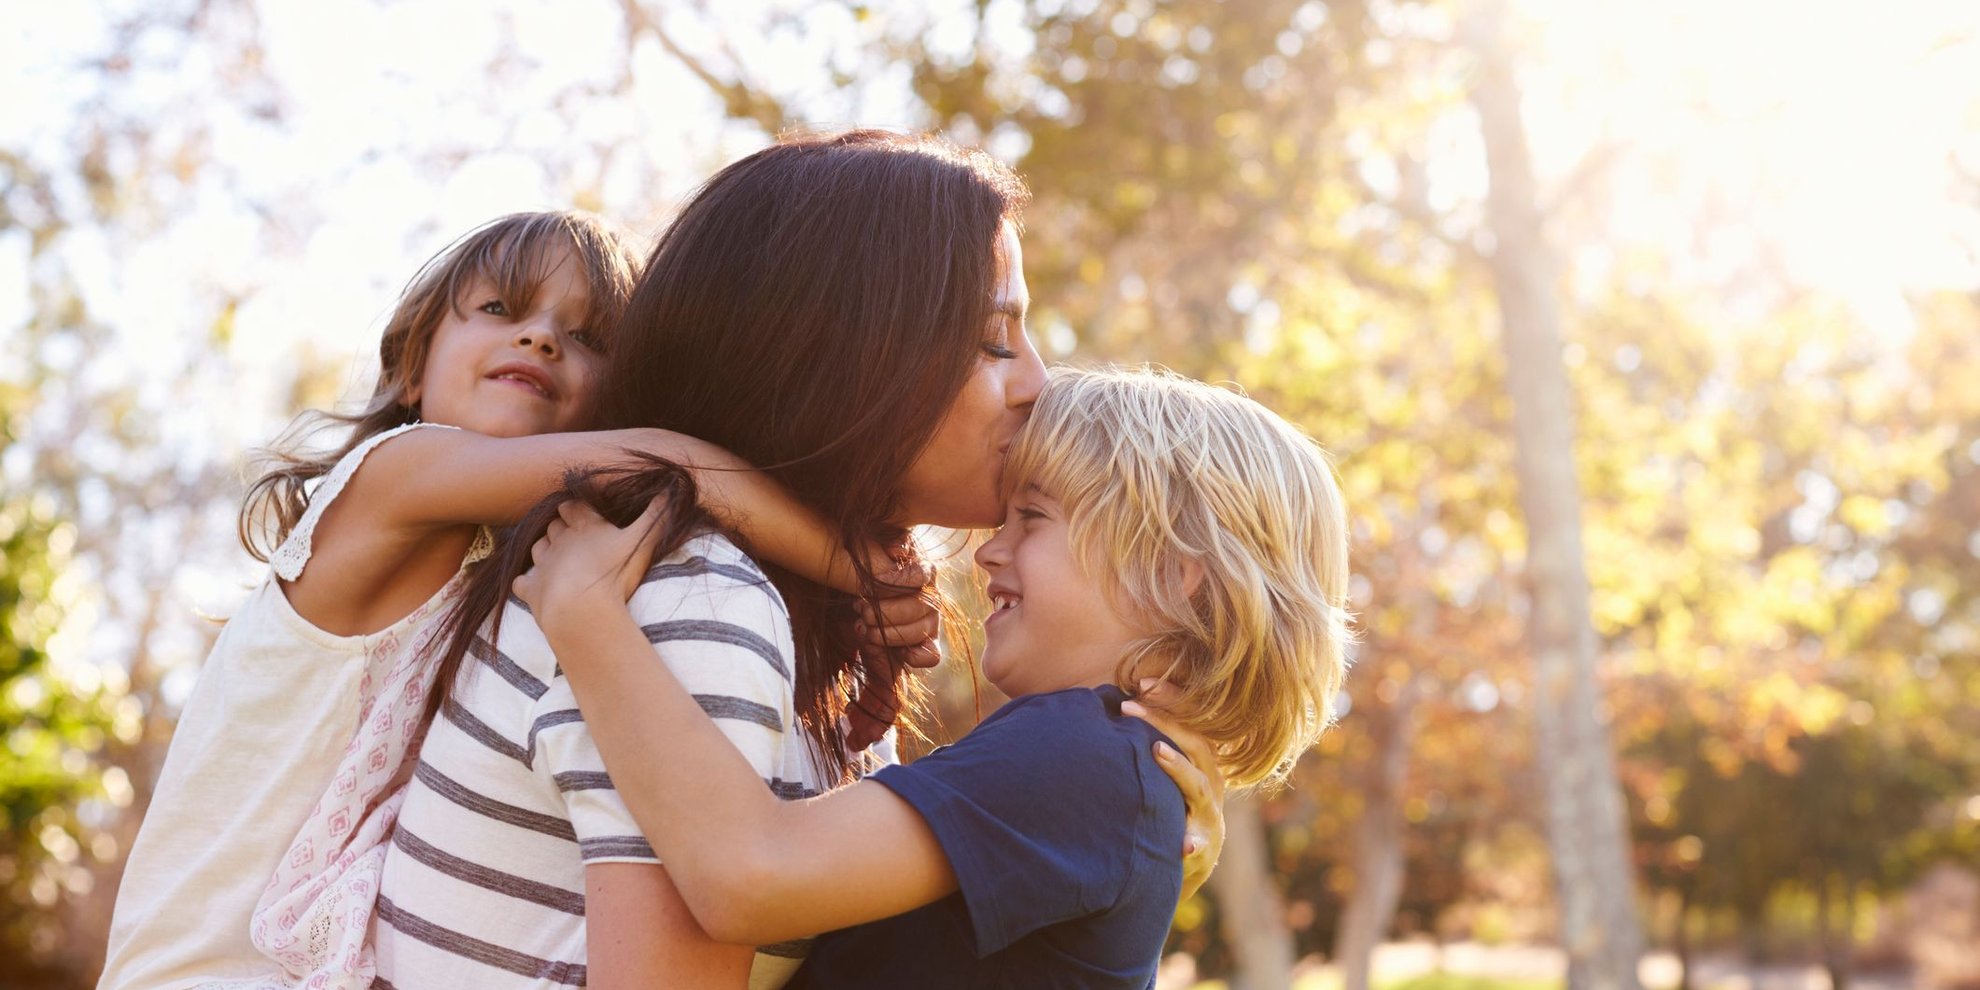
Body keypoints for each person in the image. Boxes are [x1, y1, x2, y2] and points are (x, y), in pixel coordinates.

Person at [367, 132, 1227, 990]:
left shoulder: (789, 616)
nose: (1039, 381)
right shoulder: (695, 600)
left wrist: (1114, 840)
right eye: (994, 338)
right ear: (843, 353)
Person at [97, 211, 932, 990]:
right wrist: (857, 566)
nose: (540, 336)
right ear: (409, 367)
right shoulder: (392, 477)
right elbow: (667, 461)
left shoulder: (507, 570)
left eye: (588, 337)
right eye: (502, 308)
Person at [517, 365, 1353, 989]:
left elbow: (749, 877)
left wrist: (586, 614)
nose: (990, 549)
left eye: (1033, 518)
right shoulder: (1110, 770)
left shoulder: (1082, 756)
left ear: (1175, 576)